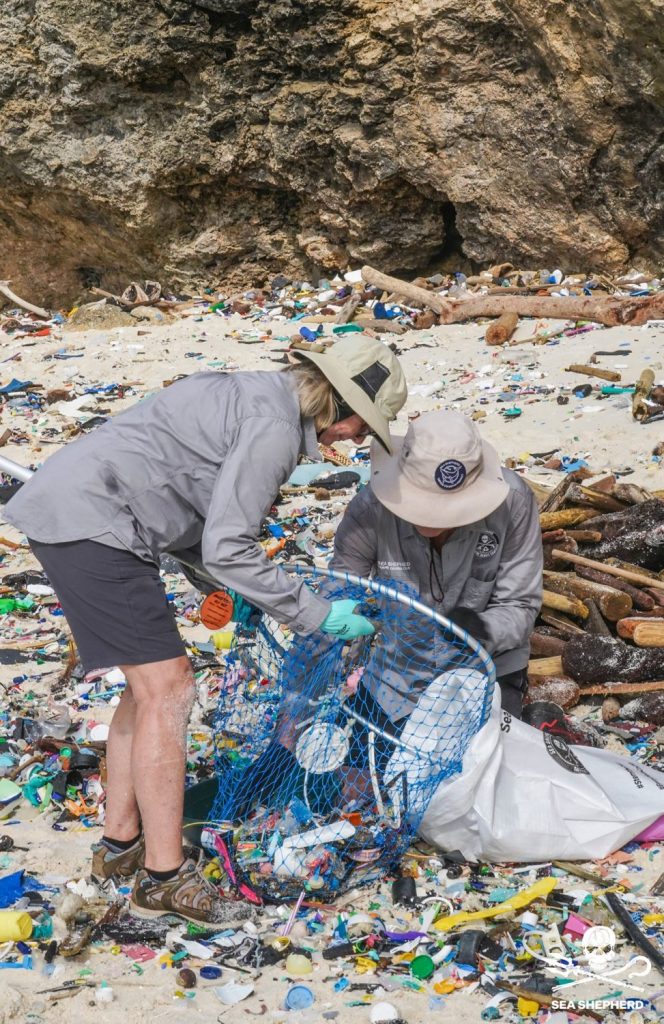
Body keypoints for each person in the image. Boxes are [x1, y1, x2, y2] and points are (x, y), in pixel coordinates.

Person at [4, 336, 406, 925]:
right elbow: (229, 543)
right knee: (171, 688)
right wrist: (317, 613)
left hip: (80, 511)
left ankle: (119, 848)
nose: (354, 437)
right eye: (357, 424)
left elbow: (198, 510)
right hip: (98, 525)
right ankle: (166, 880)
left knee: (145, 689)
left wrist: (239, 589)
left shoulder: (247, 389)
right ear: (335, 402)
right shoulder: (272, 427)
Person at [330, 410, 542, 753]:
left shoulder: (514, 502)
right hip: (397, 674)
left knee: (478, 777)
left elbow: (520, 603)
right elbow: (338, 594)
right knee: (362, 781)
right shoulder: (370, 509)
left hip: (486, 670)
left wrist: (482, 628)